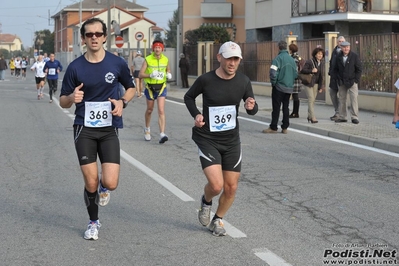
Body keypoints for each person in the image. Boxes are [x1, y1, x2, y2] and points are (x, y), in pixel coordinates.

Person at [60, 18, 135, 241]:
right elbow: (63, 100)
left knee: (110, 182)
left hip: (109, 128)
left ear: (104, 37)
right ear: (83, 39)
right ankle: (93, 222)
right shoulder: (75, 67)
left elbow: (131, 88)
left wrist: (123, 102)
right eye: (89, 34)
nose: (94, 37)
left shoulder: (116, 63)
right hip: (84, 129)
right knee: (90, 181)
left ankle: (103, 188)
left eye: (98, 34)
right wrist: (72, 97)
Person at [184, 41, 258, 236]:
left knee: (231, 187)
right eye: (228, 58)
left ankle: (218, 220)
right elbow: (189, 97)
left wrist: (252, 106)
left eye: (236, 59)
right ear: (219, 58)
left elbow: (251, 107)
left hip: (231, 141)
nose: (232, 63)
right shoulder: (206, 80)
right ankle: (206, 201)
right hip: (207, 138)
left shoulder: (243, 81)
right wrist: (196, 115)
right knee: (216, 186)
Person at [139, 40, 172, 143]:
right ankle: (147, 129)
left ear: (162, 49)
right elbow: (140, 74)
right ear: (153, 48)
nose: (157, 49)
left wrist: (168, 74)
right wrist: (150, 75)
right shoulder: (148, 60)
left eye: (159, 47)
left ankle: (162, 134)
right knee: (150, 109)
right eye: (156, 47)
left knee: (161, 110)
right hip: (150, 87)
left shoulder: (165, 59)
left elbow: (168, 69)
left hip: (162, 87)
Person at [262, 41, 297, 134]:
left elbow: (273, 73)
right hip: (289, 87)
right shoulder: (292, 60)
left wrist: (274, 83)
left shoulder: (277, 59)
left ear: (279, 48)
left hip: (279, 87)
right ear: (286, 48)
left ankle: (273, 127)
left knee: (276, 108)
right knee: (286, 107)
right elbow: (296, 74)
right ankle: (285, 127)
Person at [332, 41, 362, 124]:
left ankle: (354, 117)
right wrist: (338, 79)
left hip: (352, 81)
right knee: (342, 99)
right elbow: (334, 69)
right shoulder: (338, 57)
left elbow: (359, 69)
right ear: (341, 48)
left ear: (350, 47)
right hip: (341, 81)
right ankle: (342, 117)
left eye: (347, 47)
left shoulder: (354, 56)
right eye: (344, 47)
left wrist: (356, 80)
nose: (346, 49)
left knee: (354, 99)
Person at [301, 46, 325, 123]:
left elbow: (321, 76)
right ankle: (313, 117)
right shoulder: (310, 61)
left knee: (313, 100)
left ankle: (309, 116)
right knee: (311, 99)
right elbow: (303, 70)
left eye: (321, 54)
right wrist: (311, 70)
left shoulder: (321, 63)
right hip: (308, 83)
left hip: (316, 83)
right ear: (315, 54)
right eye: (318, 54)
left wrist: (320, 86)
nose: (320, 55)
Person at [328, 36, 345, 121]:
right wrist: (330, 71)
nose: (341, 43)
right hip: (334, 77)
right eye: (339, 41)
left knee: (342, 96)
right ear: (337, 42)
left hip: (341, 78)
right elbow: (331, 62)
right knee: (332, 93)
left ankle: (339, 114)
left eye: (342, 41)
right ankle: (337, 111)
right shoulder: (334, 51)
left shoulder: (346, 51)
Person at [288, 43, 302, 118]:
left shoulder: (294, 57)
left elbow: (295, 69)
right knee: (295, 95)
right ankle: (295, 112)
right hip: (297, 78)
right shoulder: (298, 56)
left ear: (291, 50)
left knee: (295, 96)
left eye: (289, 49)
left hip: (295, 79)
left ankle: (295, 113)